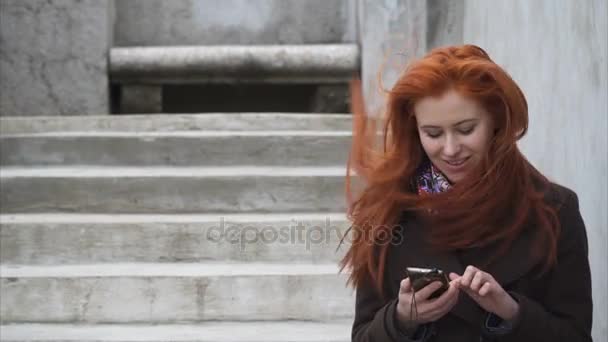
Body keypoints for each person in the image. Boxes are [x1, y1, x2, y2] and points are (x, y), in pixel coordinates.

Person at [338, 45, 593, 341]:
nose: (450, 149)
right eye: (433, 134)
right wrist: (401, 319)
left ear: (496, 120)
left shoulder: (556, 210)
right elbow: (363, 336)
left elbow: (575, 335)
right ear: (415, 131)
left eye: (466, 129)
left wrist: (511, 312)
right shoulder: (386, 211)